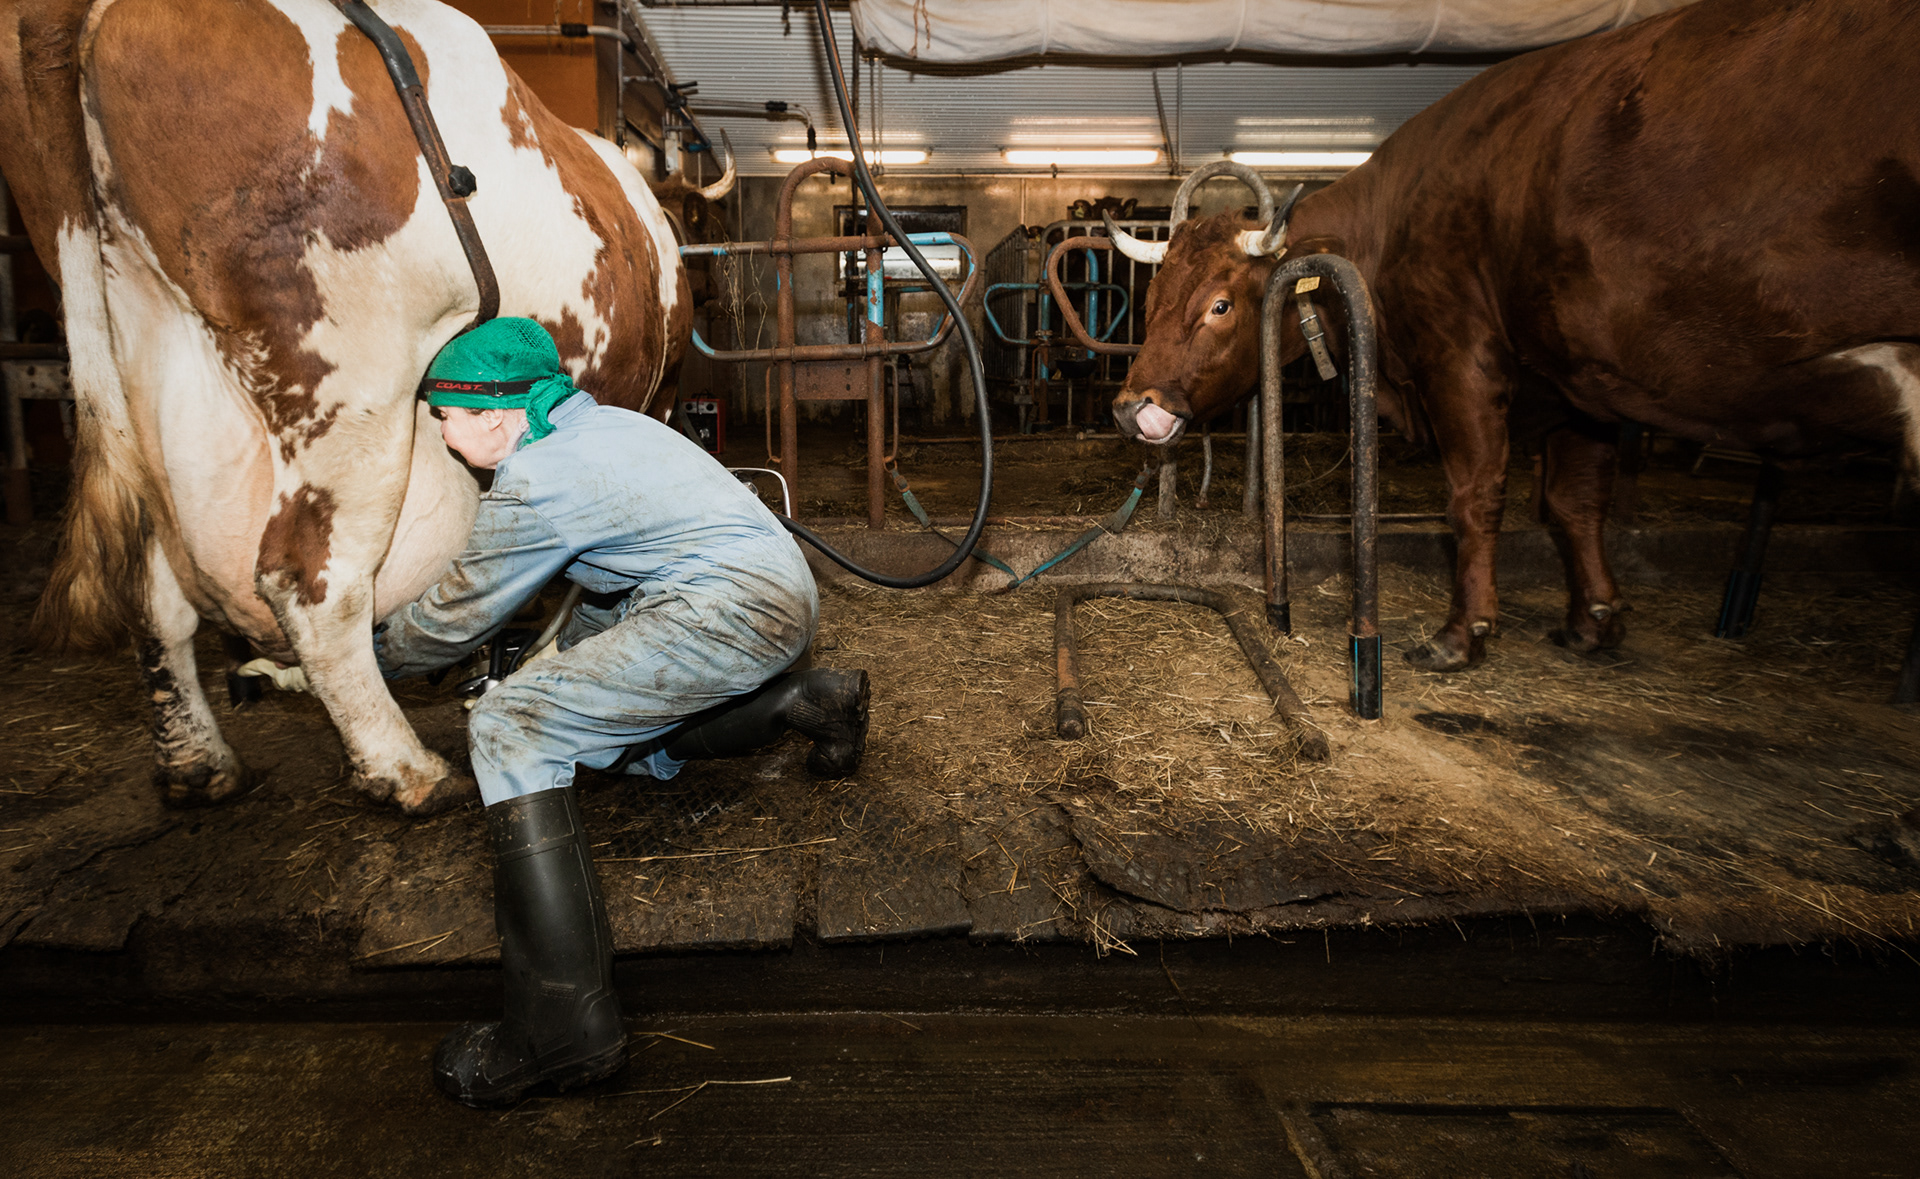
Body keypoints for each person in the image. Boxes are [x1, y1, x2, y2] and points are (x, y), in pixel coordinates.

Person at [374, 317, 869, 1107]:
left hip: (725, 609)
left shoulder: (535, 480)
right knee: (618, 733)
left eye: (445, 417)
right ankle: (807, 700)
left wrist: (362, 659)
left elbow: (450, 621)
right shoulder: (609, 425)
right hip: (780, 591)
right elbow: (605, 587)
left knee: (510, 728)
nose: (442, 435)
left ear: (496, 419)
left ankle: (563, 1027)